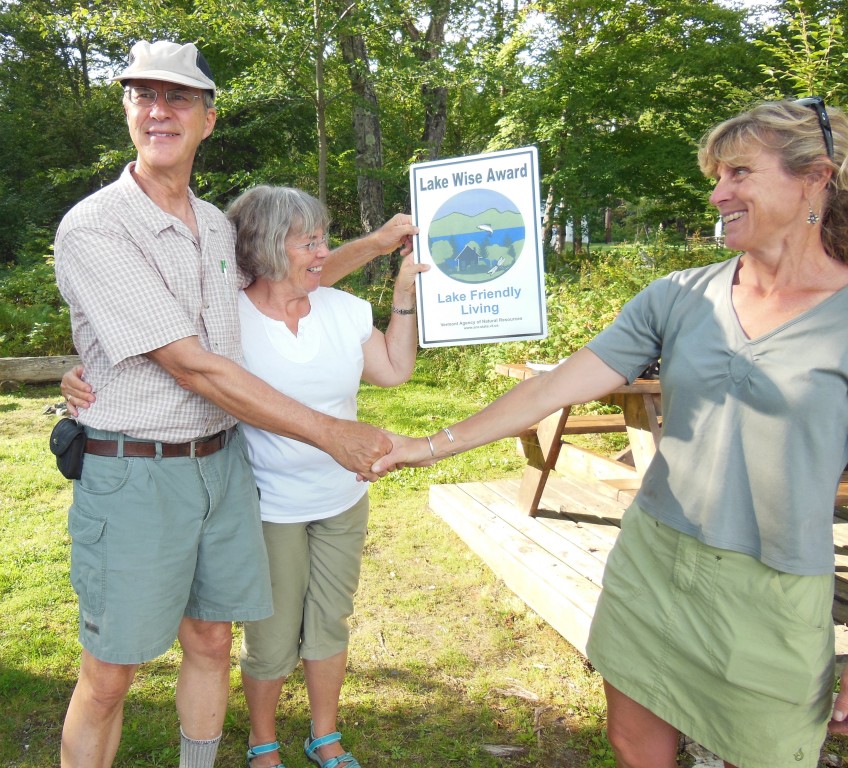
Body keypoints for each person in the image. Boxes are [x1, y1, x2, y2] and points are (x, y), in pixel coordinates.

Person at [373, 98, 848, 768]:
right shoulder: (678, 296)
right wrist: (418, 448)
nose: (718, 193)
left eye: (739, 173)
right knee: (632, 745)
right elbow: (548, 389)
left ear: (816, 178)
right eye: (716, 177)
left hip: (771, 592)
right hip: (654, 562)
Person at [54, 39, 416, 768]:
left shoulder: (217, 226)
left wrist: (375, 246)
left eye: (178, 98)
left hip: (224, 467)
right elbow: (192, 364)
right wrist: (331, 434)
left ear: (207, 119)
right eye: (143, 96)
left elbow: (291, 279)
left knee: (213, 641)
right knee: (110, 673)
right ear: (126, 109)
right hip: (136, 472)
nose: (159, 111)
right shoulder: (96, 226)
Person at [223, 186, 426, 768]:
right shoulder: (228, 317)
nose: (322, 251)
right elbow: (174, 364)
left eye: (322, 239)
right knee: (272, 633)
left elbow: (394, 370)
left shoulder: (342, 309)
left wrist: (403, 293)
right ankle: (264, 742)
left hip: (343, 496)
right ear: (265, 246)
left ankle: (324, 736)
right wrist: (82, 377)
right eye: (307, 241)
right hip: (268, 504)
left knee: (329, 620)